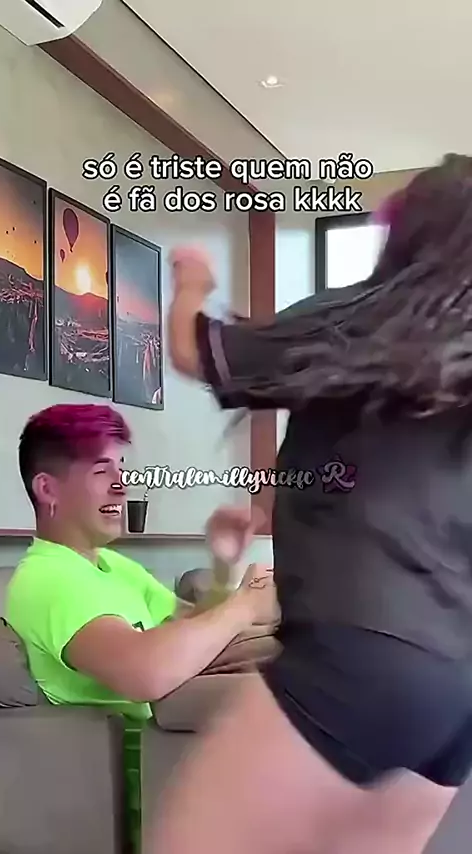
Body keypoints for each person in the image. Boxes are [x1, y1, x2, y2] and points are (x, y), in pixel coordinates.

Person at [147, 153, 472, 854]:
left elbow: (194, 351)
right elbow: (391, 472)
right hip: (457, 688)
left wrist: (192, 280)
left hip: (362, 651)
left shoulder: (366, 314)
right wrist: (274, 504)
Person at [5, 402, 275, 850]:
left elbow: (193, 629)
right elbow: (145, 673)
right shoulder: (46, 580)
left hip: (196, 754)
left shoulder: (114, 566)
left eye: (121, 467)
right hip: (155, 780)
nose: (121, 484)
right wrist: (243, 607)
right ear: (48, 488)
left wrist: (224, 567)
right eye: (101, 471)